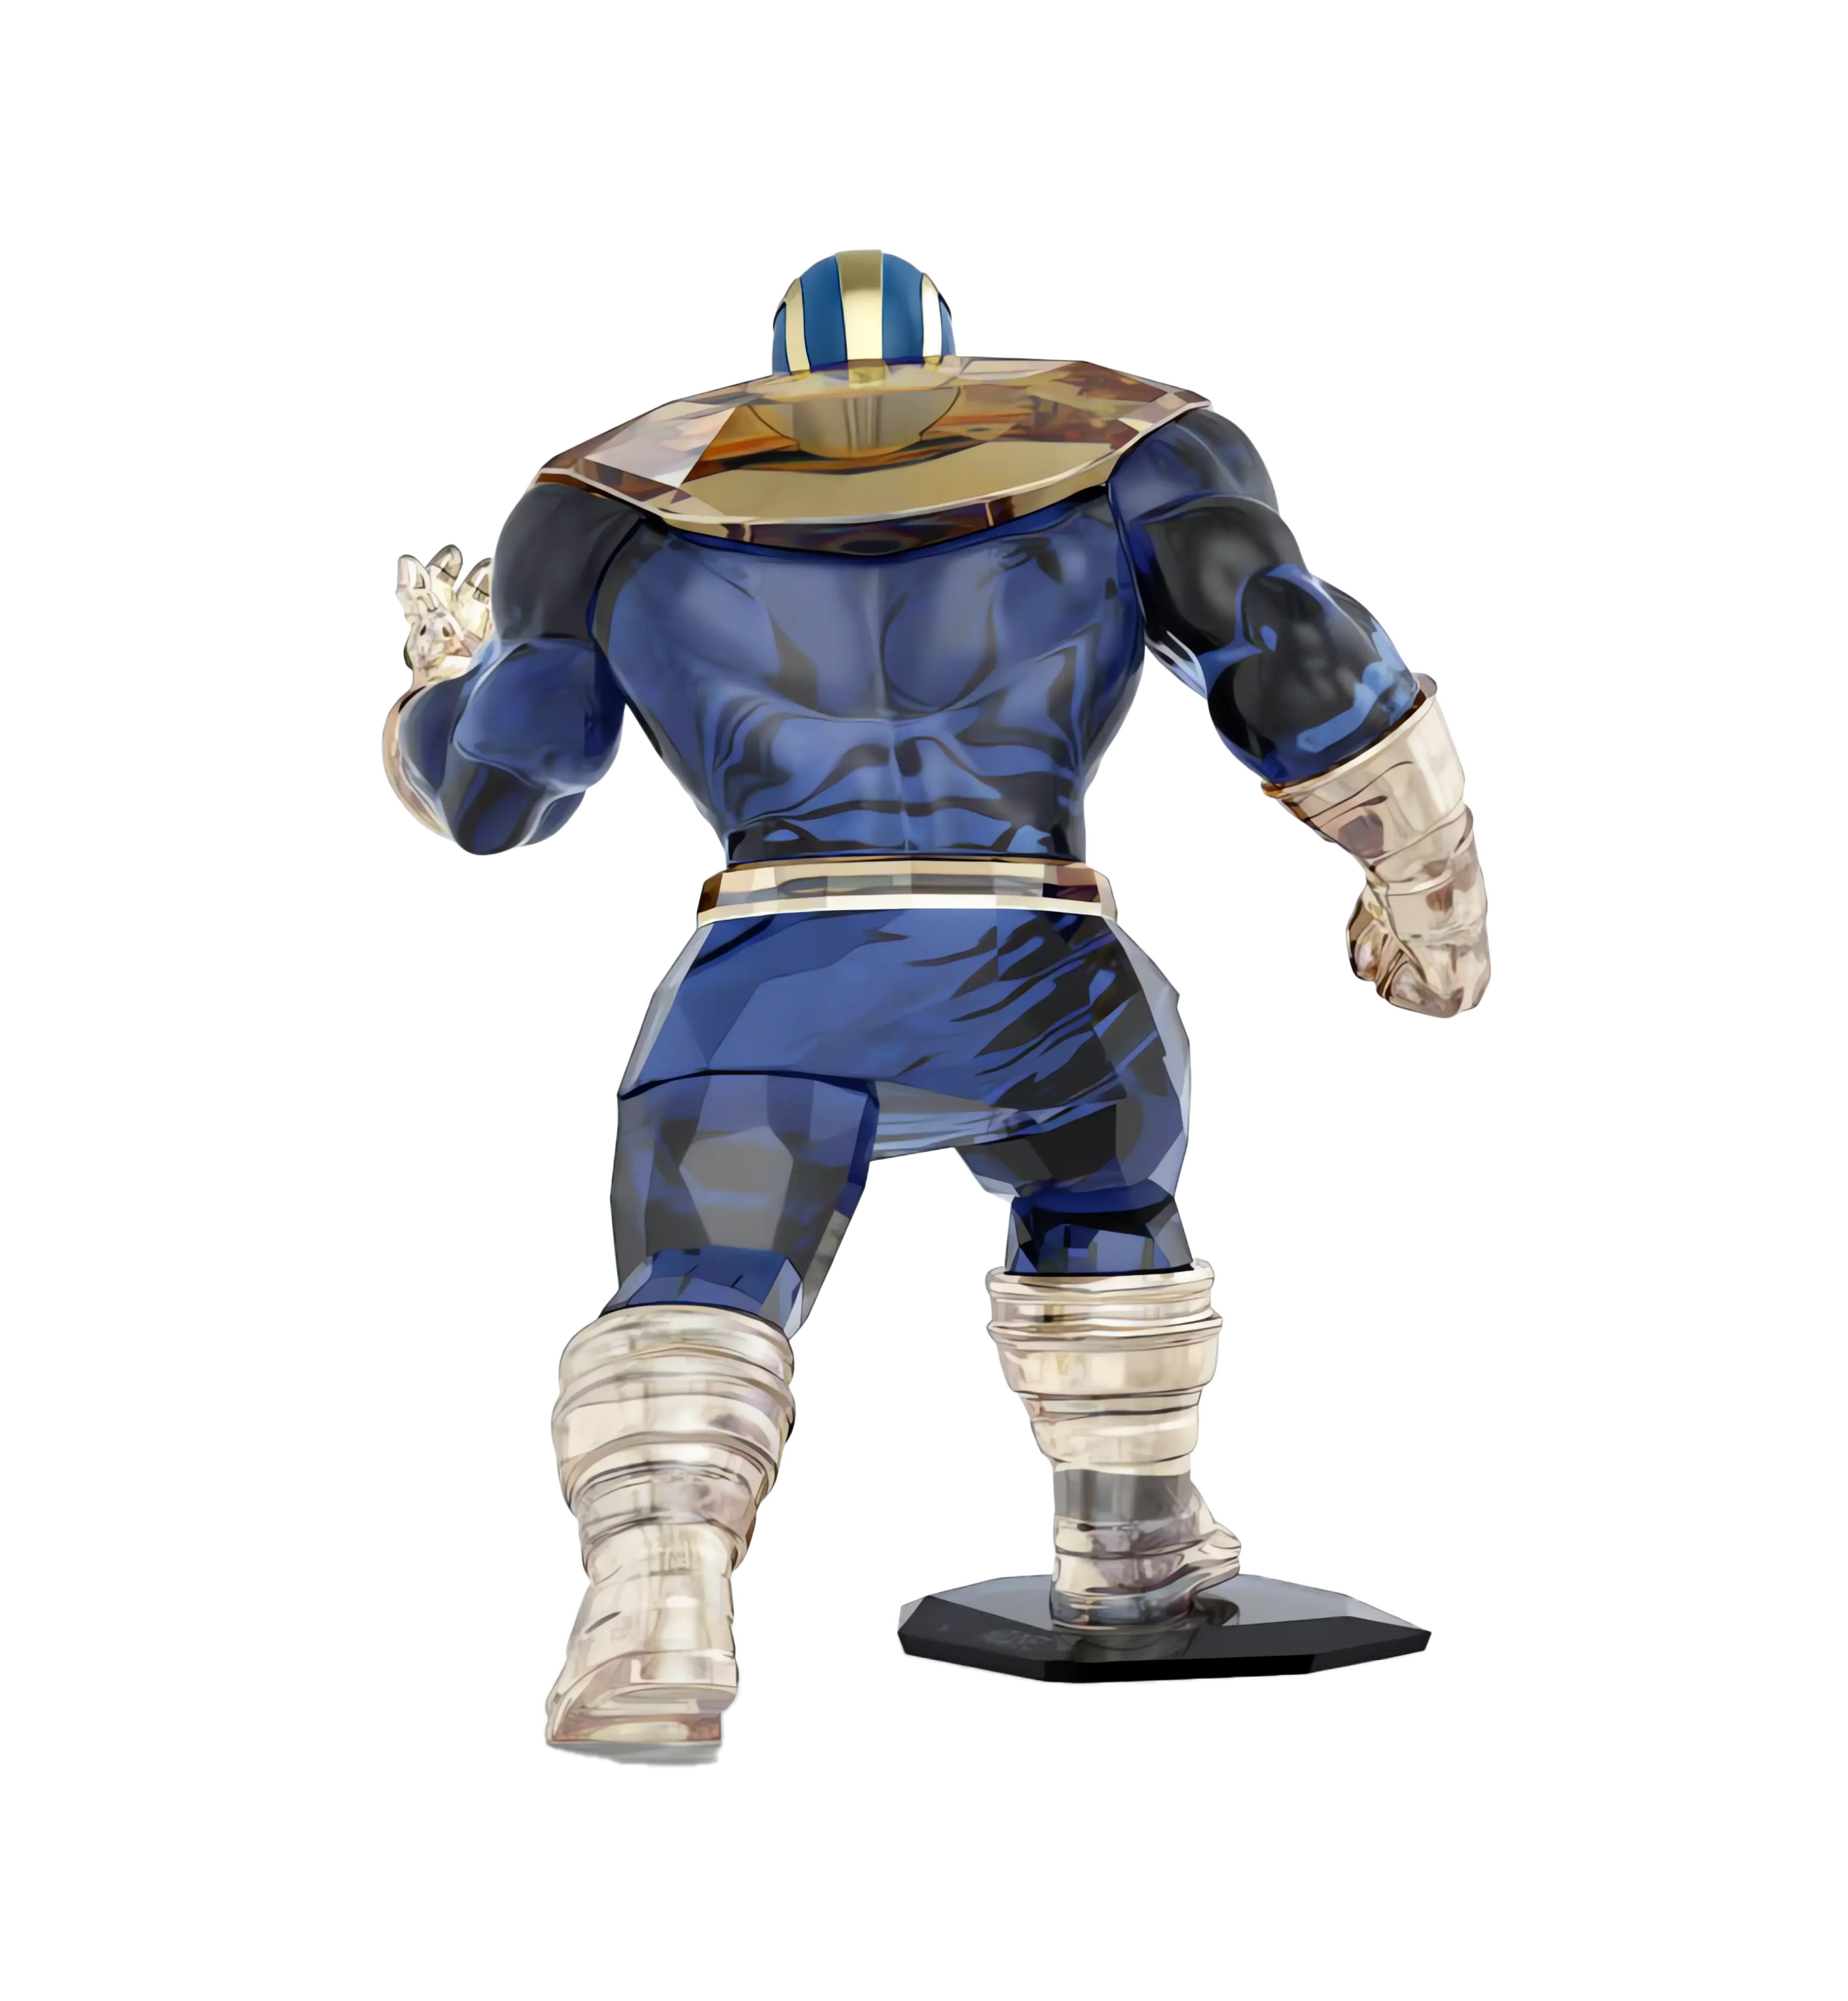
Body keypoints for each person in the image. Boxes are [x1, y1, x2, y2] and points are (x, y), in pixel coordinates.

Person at [385, 250, 1491, 1745]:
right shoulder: (1133, 461)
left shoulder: (602, 515)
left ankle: (654, 1612)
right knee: (1108, 1203)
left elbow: (502, 790)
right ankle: (1133, 1551)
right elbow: (1295, 654)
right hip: (1044, 967)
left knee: (705, 1277)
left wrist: (433, 690)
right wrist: (1428, 877)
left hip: (783, 981)